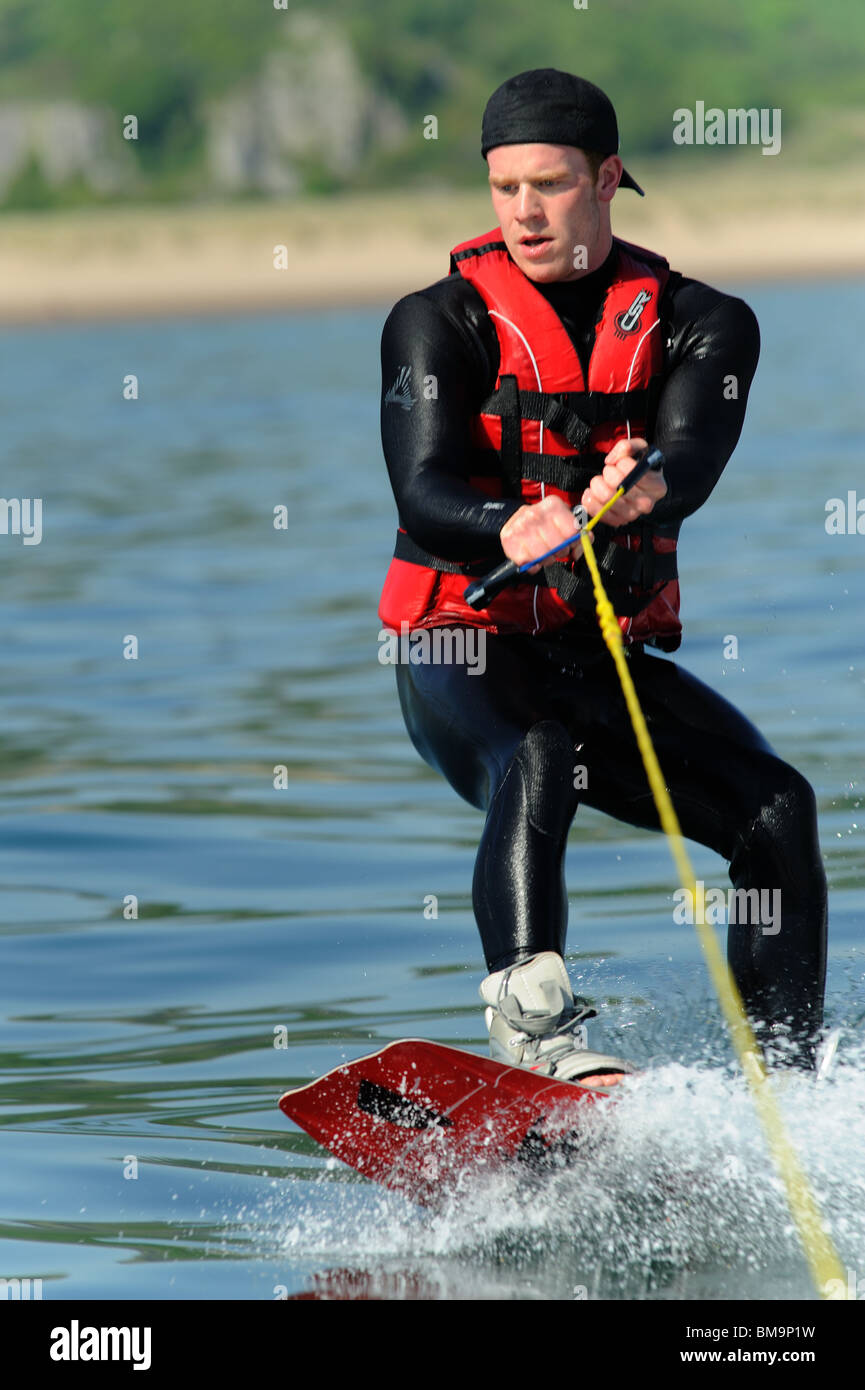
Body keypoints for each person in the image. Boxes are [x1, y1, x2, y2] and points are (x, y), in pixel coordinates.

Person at [378, 69, 826, 1086]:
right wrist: (507, 519)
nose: (525, 212)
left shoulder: (703, 323)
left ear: (607, 177)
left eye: (548, 183)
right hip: (460, 645)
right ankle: (539, 1038)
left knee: (776, 810)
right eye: (504, 189)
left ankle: (787, 1088)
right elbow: (422, 491)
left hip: (592, 654)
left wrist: (649, 483)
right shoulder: (435, 322)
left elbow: (694, 450)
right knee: (533, 753)